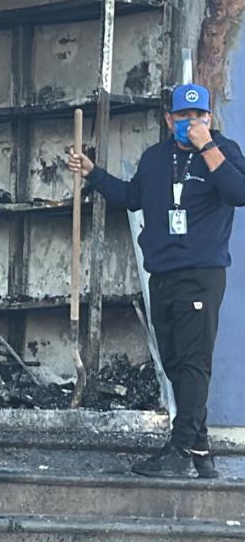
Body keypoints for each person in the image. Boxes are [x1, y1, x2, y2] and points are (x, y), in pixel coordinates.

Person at [68, 82, 245, 478]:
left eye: (199, 116)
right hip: (162, 274)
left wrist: (207, 147)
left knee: (194, 362)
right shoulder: (154, 159)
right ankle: (200, 451)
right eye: (184, 117)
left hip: (201, 273)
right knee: (175, 363)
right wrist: (94, 174)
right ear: (170, 120)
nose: (192, 123)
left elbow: (239, 193)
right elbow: (131, 197)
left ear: (209, 118)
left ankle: (180, 449)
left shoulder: (223, 151)